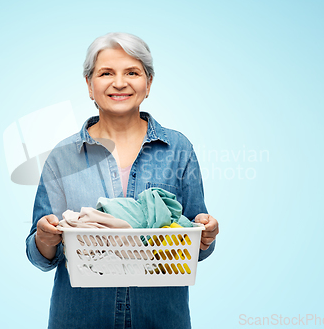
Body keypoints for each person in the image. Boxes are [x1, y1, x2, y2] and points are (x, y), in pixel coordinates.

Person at [26, 32, 219, 329]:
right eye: (106, 73)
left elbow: (197, 243)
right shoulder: (62, 158)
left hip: (161, 319)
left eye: (132, 72)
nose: (119, 83)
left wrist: (205, 233)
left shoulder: (179, 149)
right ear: (90, 86)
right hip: (79, 320)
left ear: (148, 84)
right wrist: (45, 238)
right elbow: (40, 256)